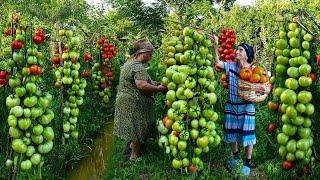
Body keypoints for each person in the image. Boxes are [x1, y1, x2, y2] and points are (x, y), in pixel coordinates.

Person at [114, 38, 167, 160]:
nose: (151, 56)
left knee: (133, 128)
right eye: (150, 54)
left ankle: (132, 148)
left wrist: (157, 83)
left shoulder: (130, 63)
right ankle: (134, 156)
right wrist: (159, 89)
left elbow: (146, 81)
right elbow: (141, 85)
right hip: (132, 102)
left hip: (125, 100)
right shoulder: (137, 66)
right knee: (138, 127)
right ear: (142, 53)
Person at [214, 37, 260, 176]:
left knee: (247, 134)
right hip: (232, 105)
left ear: (247, 54)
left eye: (240, 50)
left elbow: (265, 85)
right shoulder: (231, 66)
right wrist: (215, 44)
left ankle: (247, 162)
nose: (236, 52)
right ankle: (235, 156)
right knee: (231, 132)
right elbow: (217, 62)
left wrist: (264, 90)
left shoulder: (254, 70)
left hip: (247, 106)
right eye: (237, 49)